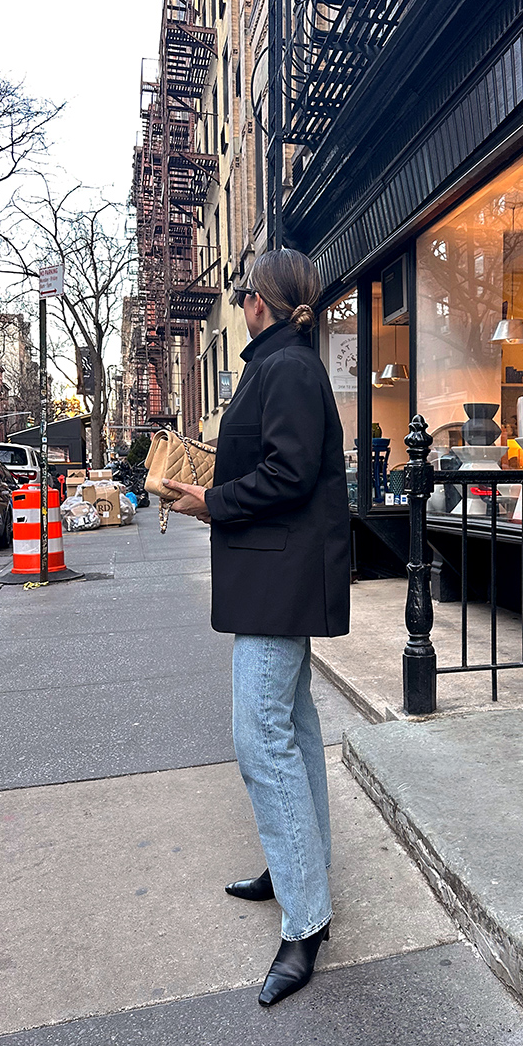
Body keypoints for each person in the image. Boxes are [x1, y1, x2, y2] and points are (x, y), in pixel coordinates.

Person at [163, 248, 351, 1007]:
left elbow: (288, 474)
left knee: (259, 738)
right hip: (275, 578)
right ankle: (296, 869)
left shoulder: (289, 368)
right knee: (294, 733)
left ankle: (304, 921)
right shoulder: (278, 362)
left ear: (262, 301)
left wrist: (212, 501)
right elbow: (273, 463)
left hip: (279, 581)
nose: (239, 300)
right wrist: (205, 476)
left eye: (245, 292)